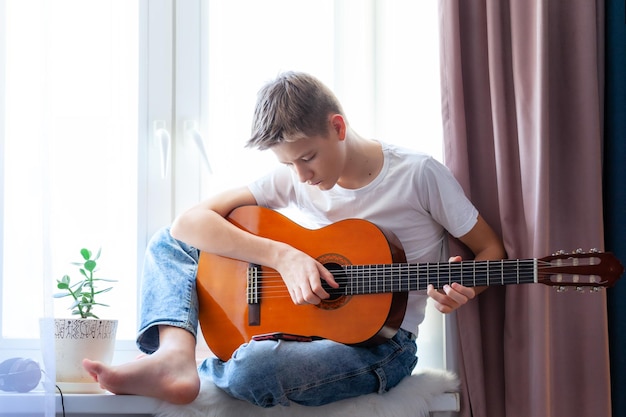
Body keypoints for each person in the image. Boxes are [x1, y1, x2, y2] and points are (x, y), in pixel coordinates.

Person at [83, 71, 506, 406]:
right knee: (168, 243)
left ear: (337, 127)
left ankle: (204, 363)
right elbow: (185, 226)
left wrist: (467, 287)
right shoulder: (294, 177)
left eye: (307, 157)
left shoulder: (418, 174)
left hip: (381, 347)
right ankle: (174, 358)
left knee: (255, 370)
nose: (302, 175)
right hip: (306, 333)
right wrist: (284, 256)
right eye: (290, 164)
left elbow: (491, 251)